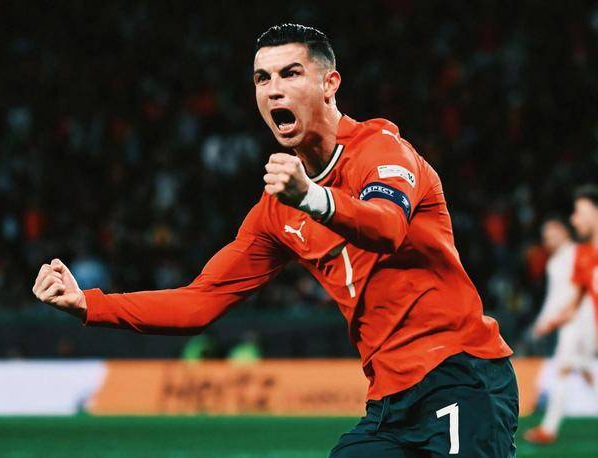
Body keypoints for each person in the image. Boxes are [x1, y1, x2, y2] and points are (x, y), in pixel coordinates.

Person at [32, 23, 517, 456]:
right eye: (262, 79)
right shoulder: (276, 212)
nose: (274, 89)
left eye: (291, 74)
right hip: (389, 401)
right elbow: (198, 303)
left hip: (461, 376)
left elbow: (386, 228)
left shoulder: (382, 152)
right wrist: (89, 305)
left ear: (330, 84)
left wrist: (312, 197)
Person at [524, 218, 596, 444]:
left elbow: (575, 291)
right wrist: (544, 321)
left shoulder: (578, 253)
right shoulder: (555, 261)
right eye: (545, 237)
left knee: (563, 369)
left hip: (579, 320)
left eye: (552, 233)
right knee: (582, 369)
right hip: (571, 321)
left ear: (564, 231)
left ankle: (549, 429)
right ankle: (549, 428)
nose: (549, 239)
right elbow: (554, 297)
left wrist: (549, 320)